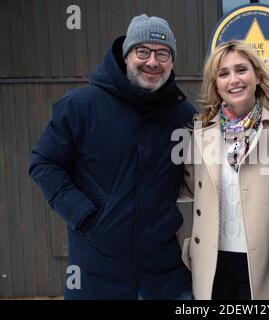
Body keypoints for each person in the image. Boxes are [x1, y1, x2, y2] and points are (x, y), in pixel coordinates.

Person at [29, 14, 196, 299]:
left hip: (163, 276)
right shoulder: (80, 107)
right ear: (125, 55)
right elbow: (44, 163)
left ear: (172, 60)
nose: (152, 62)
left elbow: (200, 177)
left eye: (162, 53)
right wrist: (83, 215)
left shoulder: (183, 115)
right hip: (96, 274)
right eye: (142, 51)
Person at [181, 40, 269, 300]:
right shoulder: (201, 131)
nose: (233, 79)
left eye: (241, 70)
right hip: (212, 262)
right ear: (216, 85)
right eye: (223, 74)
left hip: (264, 262)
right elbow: (187, 187)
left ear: (257, 75)